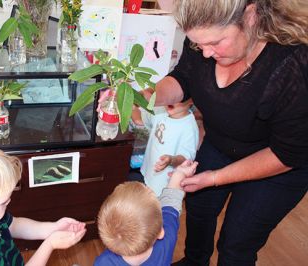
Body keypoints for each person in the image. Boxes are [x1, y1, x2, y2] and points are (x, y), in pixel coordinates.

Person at [140, 0, 308, 265]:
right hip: (222, 142)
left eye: (216, 43)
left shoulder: (292, 65)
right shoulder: (203, 42)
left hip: (279, 161)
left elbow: (287, 154)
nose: (205, 53)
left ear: (250, 16)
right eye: (199, 45)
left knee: (236, 241)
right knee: (198, 209)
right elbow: (184, 77)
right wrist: (146, 98)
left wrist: (215, 177)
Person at [95, 160, 199, 265]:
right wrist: (180, 173)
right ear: (160, 232)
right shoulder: (166, 240)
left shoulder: (104, 262)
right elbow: (171, 203)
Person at [130, 99, 199, 196]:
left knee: (154, 209)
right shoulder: (160, 110)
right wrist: (130, 102)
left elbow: (185, 159)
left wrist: (171, 160)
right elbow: (139, 119)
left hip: (164, 186)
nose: (171, 100)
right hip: (147, 174)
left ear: (191, 101)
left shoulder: (189, 127)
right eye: (170, 95)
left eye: (178, 98)